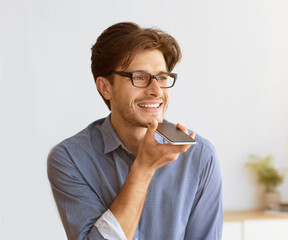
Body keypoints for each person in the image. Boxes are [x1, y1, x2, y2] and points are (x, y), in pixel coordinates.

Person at [47, 22, 223, 240]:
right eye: (139, 77)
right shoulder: (71, 158)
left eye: (162, 77)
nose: (156, 91)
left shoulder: (200, 157)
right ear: (105, 87)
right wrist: (144, 167)